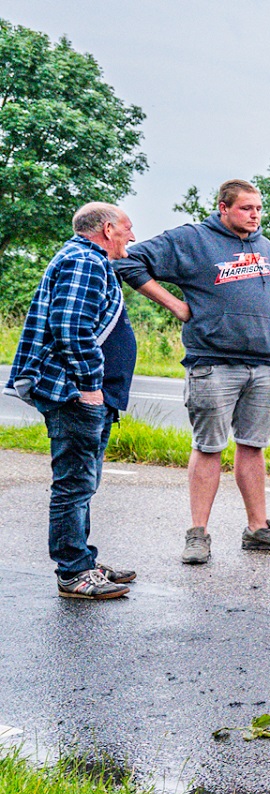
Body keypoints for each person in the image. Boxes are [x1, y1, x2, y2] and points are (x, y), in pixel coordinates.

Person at [115, 178, 270, 564]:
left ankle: (258, 529)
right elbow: (128, 260)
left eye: (258, 208)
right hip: (212, 363)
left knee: (253, 447)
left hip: (262, 365)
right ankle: (198, 533)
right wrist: (175, 304)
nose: (254, 215)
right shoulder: (193, 239)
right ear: (223, 207)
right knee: (209, 448)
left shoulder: (265, 248)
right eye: (246, 208)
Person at [4, 203, 141, 599]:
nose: (131, 237)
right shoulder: (84, 261)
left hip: (81, 390)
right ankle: (73, 572)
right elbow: (71, 327)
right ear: (107, 228)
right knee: (74, 483)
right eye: (128, 228)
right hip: (75, 391)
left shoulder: (87, 259)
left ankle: (81, 559)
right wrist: (89, 384)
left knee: (83, 480)